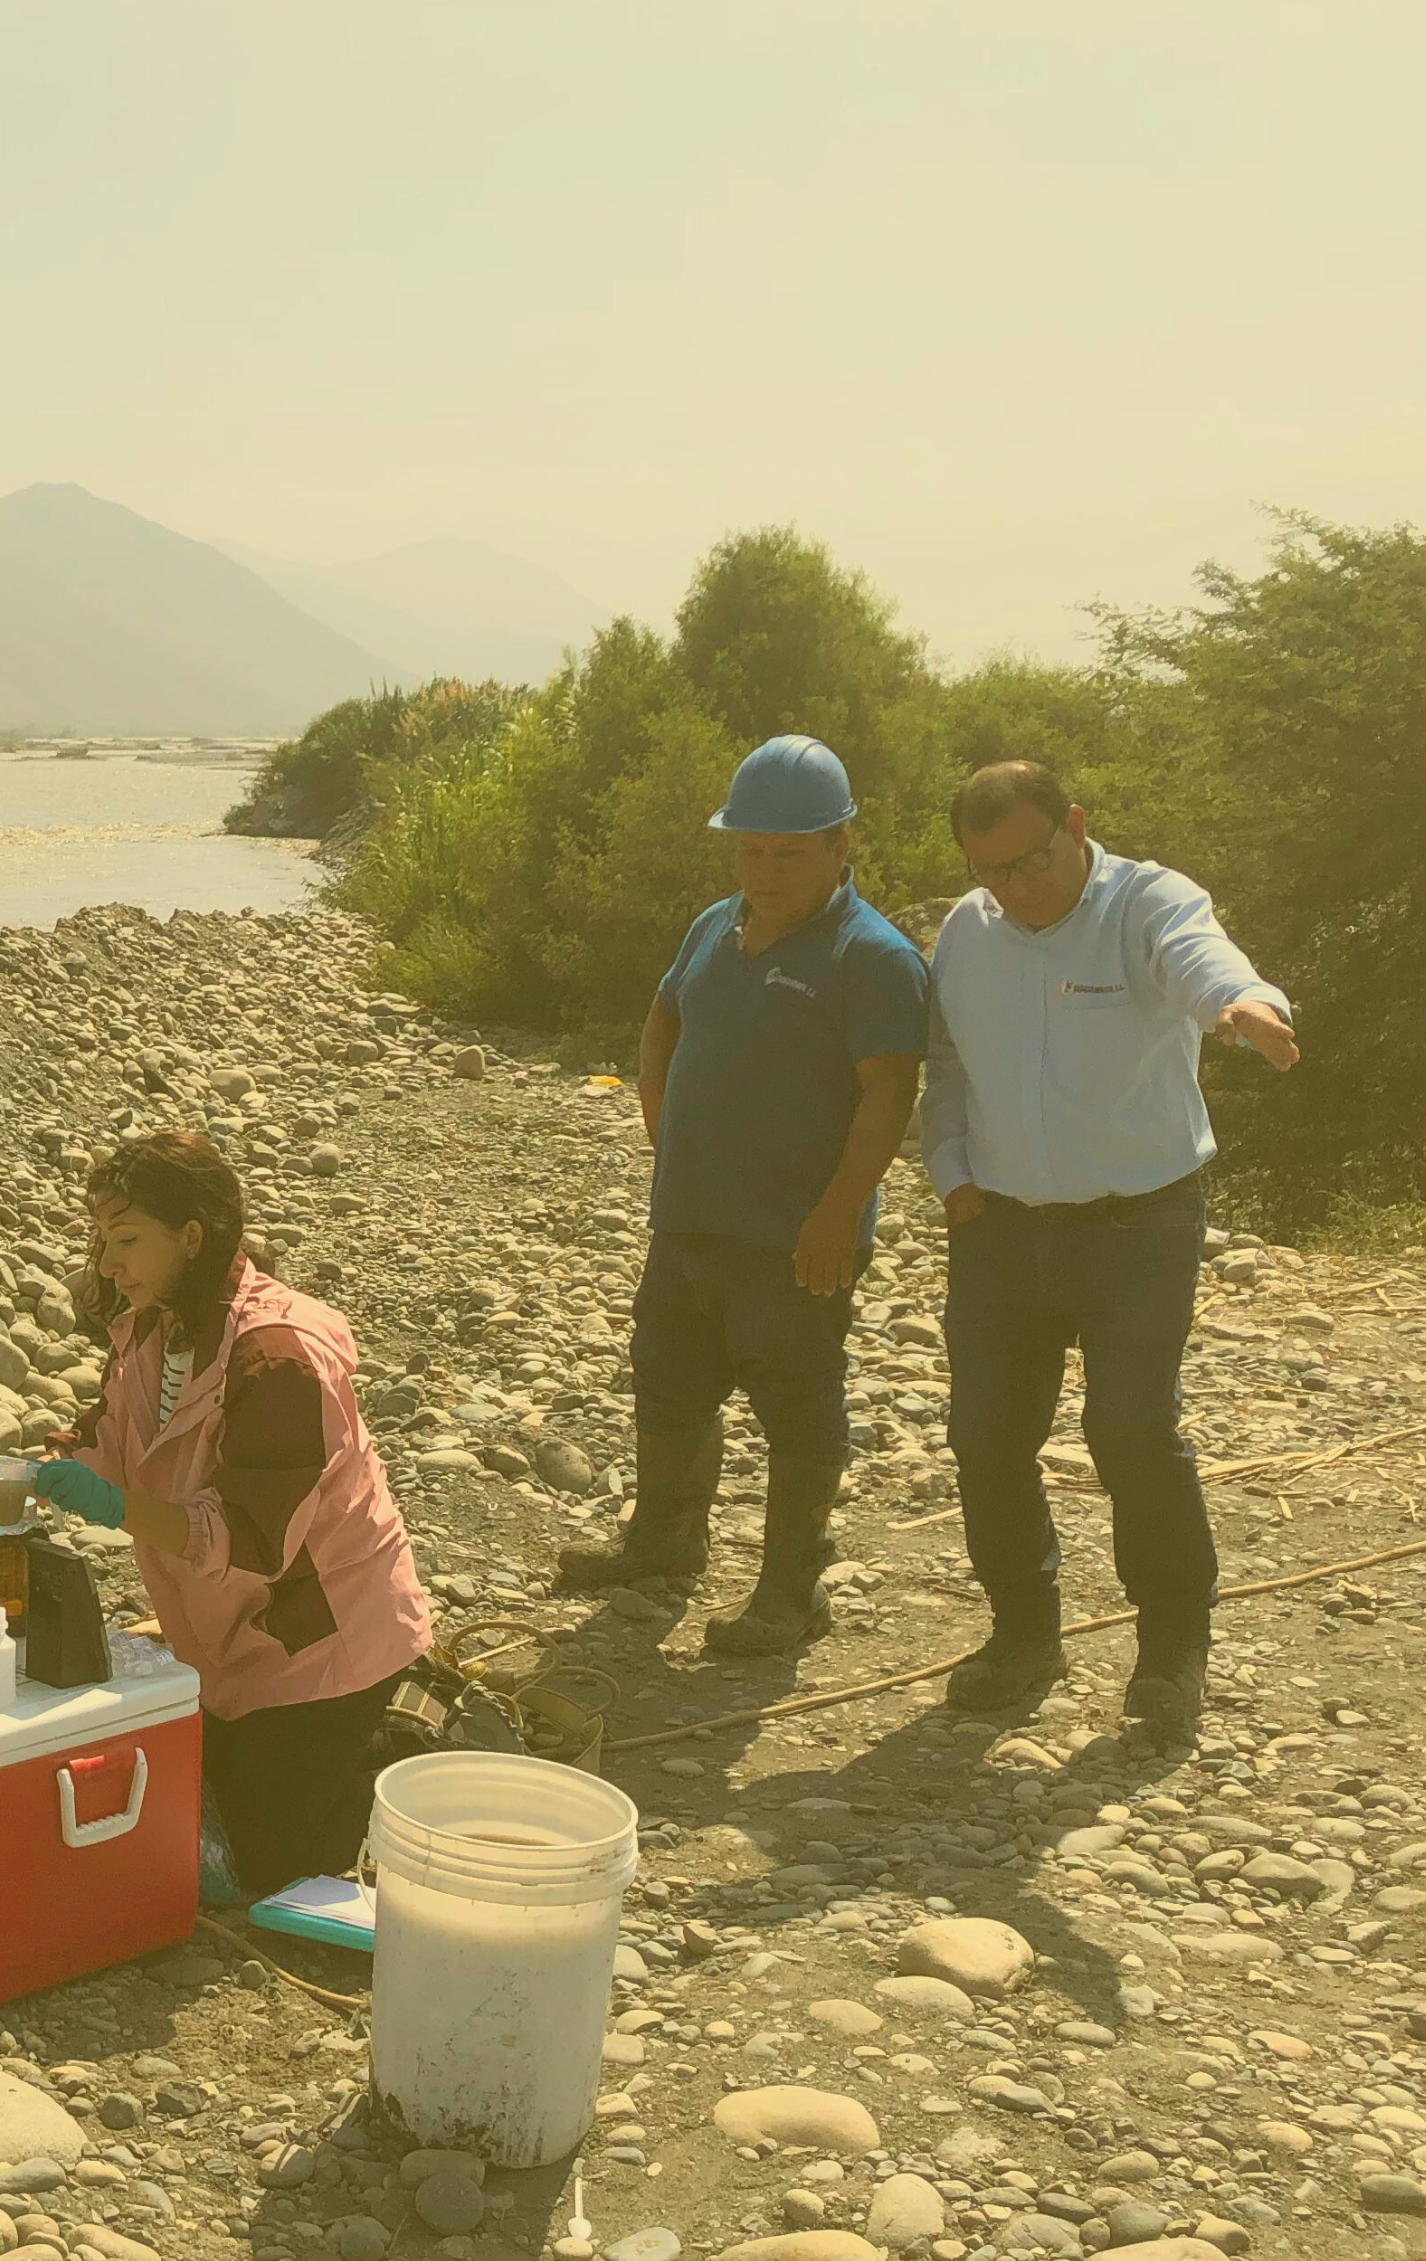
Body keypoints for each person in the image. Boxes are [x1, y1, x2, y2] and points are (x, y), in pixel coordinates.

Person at [921, 759, 1298, 1756]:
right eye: (991, 870)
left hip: (1140, 1224)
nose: (1016, 887)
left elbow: (1202, 957)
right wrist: (951, 1169)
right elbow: (949, 1058)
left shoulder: (1147, 902)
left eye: (1032, 860)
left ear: (1076, 825)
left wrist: (1245, 1005)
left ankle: (1172, 1654)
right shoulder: (969, 931)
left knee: (1131, 1431)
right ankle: (1023, 1638)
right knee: (987, 1434)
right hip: (999, 1226)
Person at [555, 735, 929, 1661]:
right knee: (668, 1385)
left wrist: (841, 1209)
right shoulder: (714, 925)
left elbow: (891, 1091)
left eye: (789, 852)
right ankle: (663, 1545)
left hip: (794, 1236)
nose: (764, 869)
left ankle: (791, 1593)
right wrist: (660, 1117)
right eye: (751, 849)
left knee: (799, 1411)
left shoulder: (870, 956)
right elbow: (666, 1015)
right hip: (689, 1217)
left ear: (841, 846)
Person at [9, 1131, 436, 1901]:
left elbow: (252, 1540)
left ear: (194, 1237)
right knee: (179, 1818)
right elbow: (112, 1434)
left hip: (318, 1636)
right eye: (102, 1240)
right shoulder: (151, 1321)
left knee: (268, 1872)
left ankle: (406, 1736)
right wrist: (28, 1477)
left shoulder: (277, 1357)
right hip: (224, 1636)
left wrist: (114, 1507)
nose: (108, 1265)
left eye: (128, 1241)